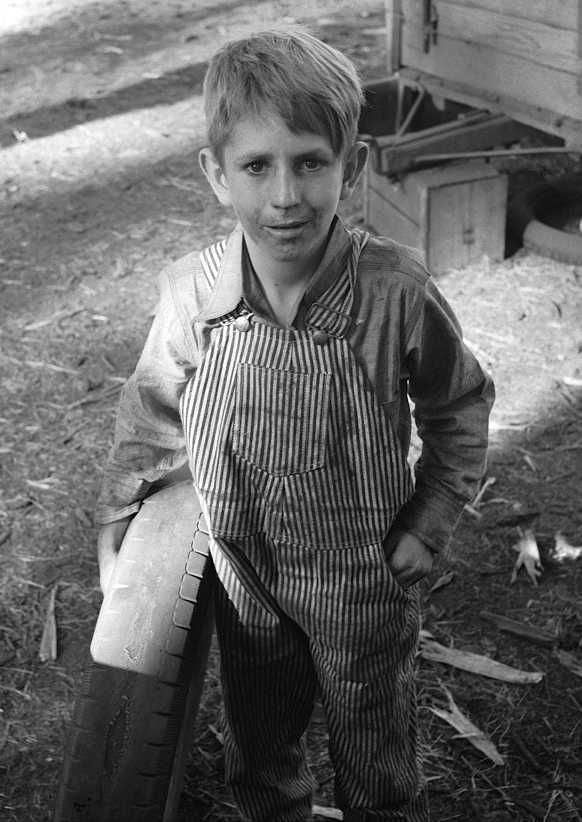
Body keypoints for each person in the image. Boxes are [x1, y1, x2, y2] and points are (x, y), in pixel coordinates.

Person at [95, 28, 494, 822]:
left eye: (310, 162)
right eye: (256, 166)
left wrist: (431, 518)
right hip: (248, 583)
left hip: (365, 580)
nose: (285, 195)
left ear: (354, 165)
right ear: (216, 174)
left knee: (375, 756)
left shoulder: (394, 293)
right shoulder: (191, 297)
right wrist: (118, 510)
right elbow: (150, 410)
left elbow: (459, 405)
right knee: (261, 747)